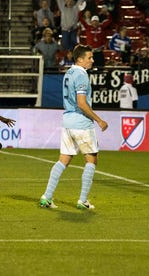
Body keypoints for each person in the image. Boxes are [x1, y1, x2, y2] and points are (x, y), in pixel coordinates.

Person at [39, 44, 108, 209]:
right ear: (80, 59)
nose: (92, 60)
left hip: (68, 122)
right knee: (91, 159)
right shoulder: (82, 75)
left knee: (63, 160)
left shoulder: (69, 72)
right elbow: (82, 103)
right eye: (89, 58)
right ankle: (83, 200)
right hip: (81, 123)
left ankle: (46, 197)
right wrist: (99, 120)